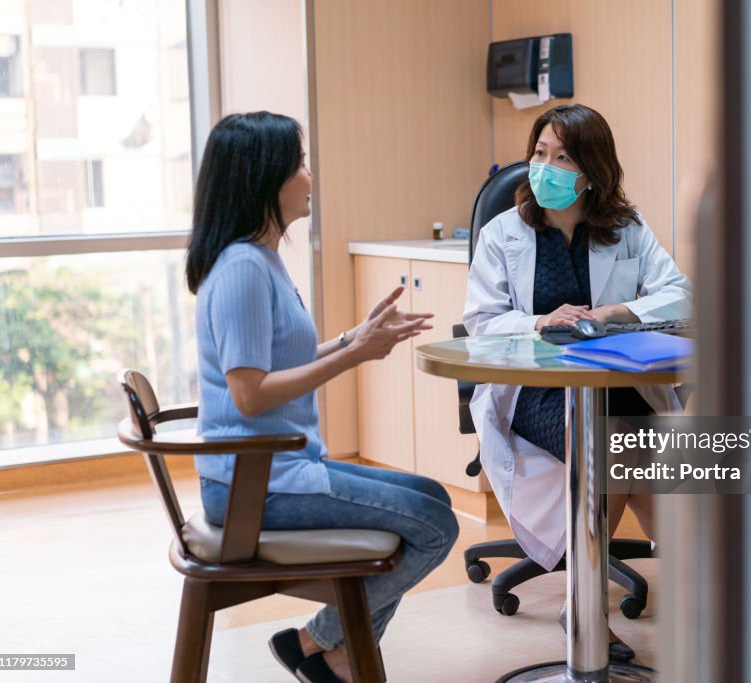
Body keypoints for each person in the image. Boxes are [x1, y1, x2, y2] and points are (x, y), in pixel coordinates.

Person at [185, 111, 459, 683]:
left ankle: (323, 648)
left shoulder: (261, 260)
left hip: (278, 471)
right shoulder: (241, 269)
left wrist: (348, 340)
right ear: (267, 180)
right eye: (301, 165)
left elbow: (273, 363)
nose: (310, 177)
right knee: (436, 525)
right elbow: (250, 396)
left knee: (432, 498)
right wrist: (354, 357)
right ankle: (321, 643)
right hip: (254, 489)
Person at [463, 103, 693, 660]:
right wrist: (539, 321)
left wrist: (619, 311)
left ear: (592, 170)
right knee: (618, 451)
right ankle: (591, 608)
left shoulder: (626, 229)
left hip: (618, 380)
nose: (544, 168)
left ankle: (675, 602)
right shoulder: (504, 232)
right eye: (539, 154)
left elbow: (681, 293)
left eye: (562, 157)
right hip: (535, 390)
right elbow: (481, 322)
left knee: (658, 460)